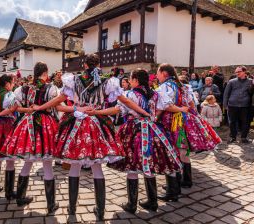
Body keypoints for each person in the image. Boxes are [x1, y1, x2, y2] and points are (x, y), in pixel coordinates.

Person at [32, 54, 149, 220]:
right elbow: (124, 102)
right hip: (97, 123)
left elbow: (59, 99)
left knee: (74, 165)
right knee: (97, 167)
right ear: (98, 64)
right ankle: (100, 211)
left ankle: (72, 209)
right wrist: (144, 112)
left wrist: (39, 107)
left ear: (84, 64)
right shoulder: (107, 81)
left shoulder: (74, 80)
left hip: (76, 122)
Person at [88, 69, 182, 214]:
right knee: (149, 164)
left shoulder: (131, 94)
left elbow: (117, 109)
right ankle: (152, 201)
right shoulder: (156, 94)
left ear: (136, 80)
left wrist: (97, 112)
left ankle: (132, 204)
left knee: (132, 164)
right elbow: (161, 109)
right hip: (153, 129)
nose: (130, 81)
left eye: (131, 79)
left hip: (135, 129)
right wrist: (152, 117)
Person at [0, 62, 61, 213]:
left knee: (28, 161)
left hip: (27, 123)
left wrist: (29, 109)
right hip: (45, 125)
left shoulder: (23, 88)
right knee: (47, 163)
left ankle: (20, 197)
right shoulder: (51, 88)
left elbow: (15, 107)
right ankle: (51, 203)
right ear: (45, 73)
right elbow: (54, 107)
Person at [156, 63, 221, 202]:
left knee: (174, 151)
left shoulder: (165, 87)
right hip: (186, 121)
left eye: (158, 72)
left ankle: (175, 187)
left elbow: (167, 106)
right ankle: (185, 181)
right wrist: (194, 117)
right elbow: (191, 103)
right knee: (182, 151)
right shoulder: (184, 86)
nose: (156, 75)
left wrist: (176, 111)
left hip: (173, 122)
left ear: (164, 74)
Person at [223, 66, 253, 144]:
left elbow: (251, 93)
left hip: (245, 106)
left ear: (244, 72)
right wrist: (225, 105)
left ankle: (244, 137)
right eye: (236, 72)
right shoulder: (231, 81)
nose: (237, 73)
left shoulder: (250, 81)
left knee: (246, 122)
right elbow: (226, 93)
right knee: (232, 122)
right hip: (232, 105)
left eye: (239, 71)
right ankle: (233, 137)